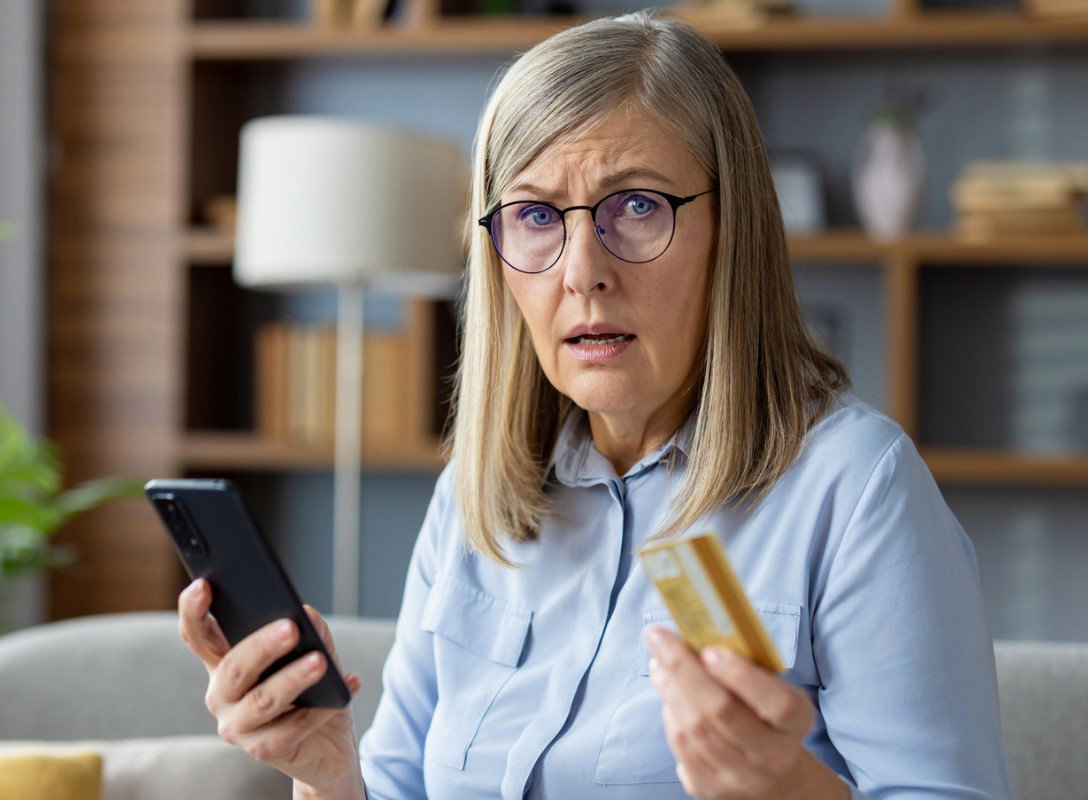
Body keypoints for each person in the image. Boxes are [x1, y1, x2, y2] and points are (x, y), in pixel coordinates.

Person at [176, 9, 1015, 800]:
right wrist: (326, 773)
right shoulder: (475, 499)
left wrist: (789, 788)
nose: (582, 270)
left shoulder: (856, 487)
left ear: (734, 230)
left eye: (638, 206)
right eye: (537, 216)